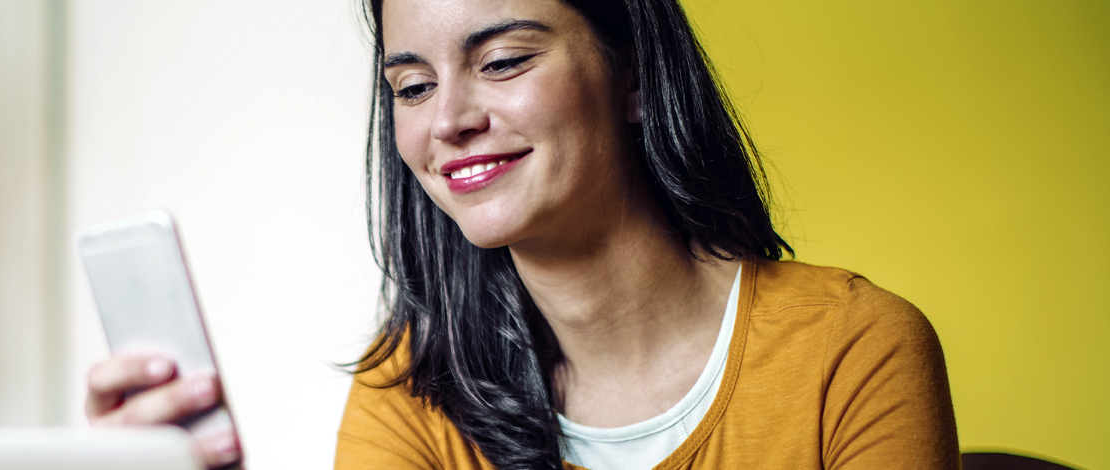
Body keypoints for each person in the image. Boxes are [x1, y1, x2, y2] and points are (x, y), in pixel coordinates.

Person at [88, 0, 960, 468]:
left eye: (502, 62)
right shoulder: (409, 392)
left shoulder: (853, 350)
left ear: (636, 75)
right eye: (412, 87)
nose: (451, 121)